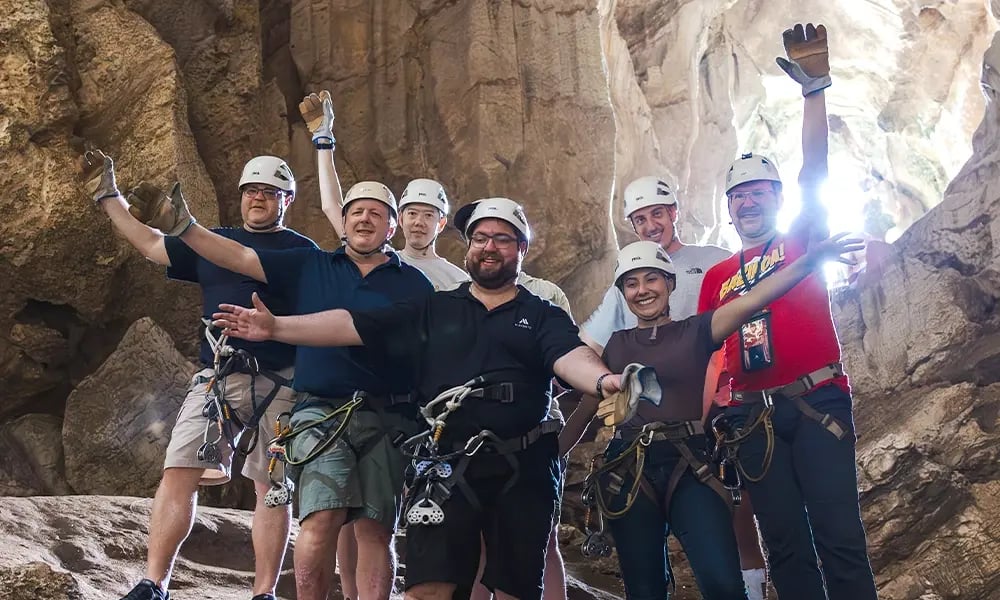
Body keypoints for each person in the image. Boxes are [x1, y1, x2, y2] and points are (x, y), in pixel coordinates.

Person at [212, 197, 627, 600]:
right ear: (468, 247)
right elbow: (351, 325)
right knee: (427, 588)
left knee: (514, 589)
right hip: (448, 467)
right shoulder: (433, 308)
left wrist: (604, 381)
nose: (489, 247)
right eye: (480, 238)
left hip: (523, 466)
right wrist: (276, 328)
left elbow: (571, 357)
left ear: (521, 249)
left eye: (502, 239)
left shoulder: (542, 315)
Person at [128, 175, 433, 600]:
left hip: (385, 416)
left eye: (376, 213)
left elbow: (356, 327)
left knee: (376, 528)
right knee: (319, 519)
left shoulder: (414, 285)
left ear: (391, 227)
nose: (365, 219)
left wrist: (275, 327)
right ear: (342, 223)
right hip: (319, 411)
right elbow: (240, 256)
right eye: (356, 212)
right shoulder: (311, 265)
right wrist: (186, 228)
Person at [561, 233, 860, 600]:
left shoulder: (700, 330)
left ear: (670, 283)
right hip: (630, 467)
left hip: (691, 467)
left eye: (652, 279)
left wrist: (811, 261)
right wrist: (549, 456)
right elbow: (589, 402)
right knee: (643, 590)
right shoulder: (617, 345)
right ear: (623, 292)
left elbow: (753, 300)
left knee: (722, 585)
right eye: (632, 283)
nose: (643, 290)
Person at [81, 151, 316, 600]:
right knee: (178, 469)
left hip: (282, 381)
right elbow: (151, 244)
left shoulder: (300, 251)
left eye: (269, 192)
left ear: (287, 200)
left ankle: (264, 592)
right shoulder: (214, 240)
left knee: (272, 486)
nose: (258, 199)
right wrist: (108, 196)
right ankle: (154, 583)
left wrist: (187, 227)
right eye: (251, 191)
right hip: (219, 377)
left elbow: (246, 259)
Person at [697, 23, 879, 600]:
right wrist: (704, 417)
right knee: (784, 545)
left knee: (839, 535)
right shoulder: (719, 277)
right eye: (739, 196)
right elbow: (709, 351)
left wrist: (814, 90)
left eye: (759, 193)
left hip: (815, 399)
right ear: (728, 210)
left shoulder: (801, 240)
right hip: (754, 418)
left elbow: (815, 174)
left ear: (777, 200)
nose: (748, 202)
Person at [301, 90, 468, 293]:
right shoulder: (382, 259)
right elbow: (331, 206)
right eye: (412, 213)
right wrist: (323, 140)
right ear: (399, 220)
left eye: (428, 215)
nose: (418, 222)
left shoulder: (458, 280)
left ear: (441, 223)